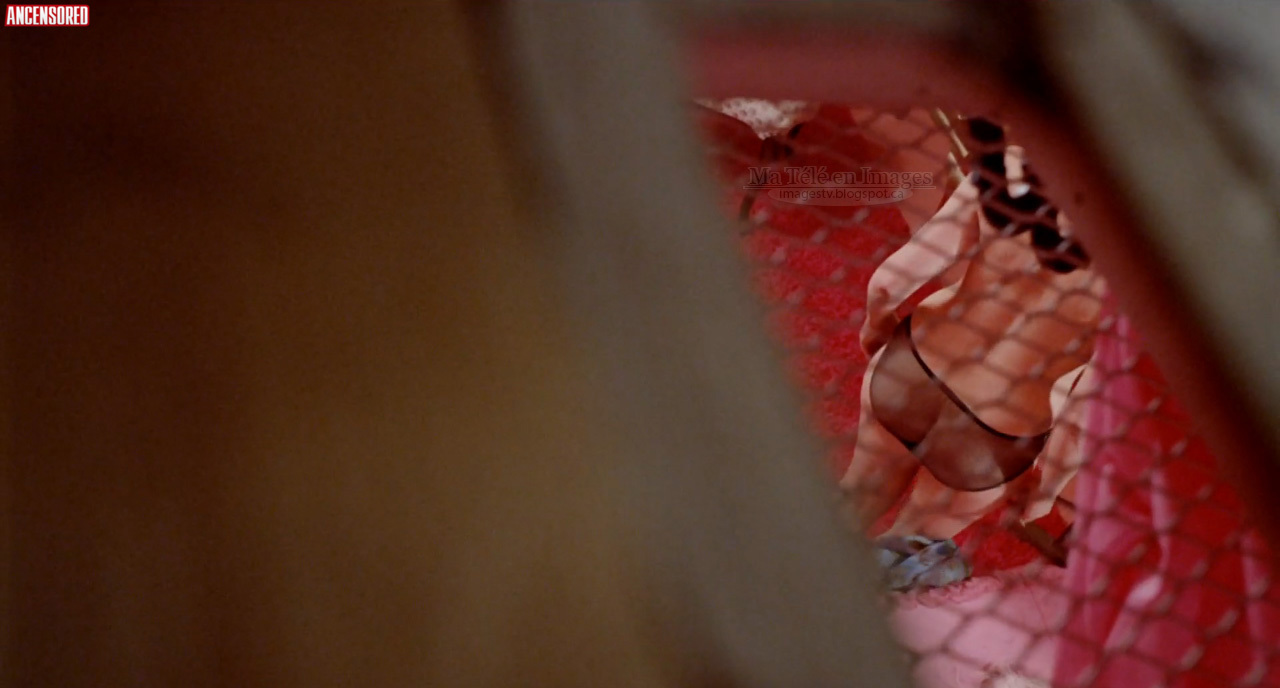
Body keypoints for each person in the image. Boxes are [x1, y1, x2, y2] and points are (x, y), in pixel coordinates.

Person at [839, 117, 1107, 544]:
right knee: (908, 549)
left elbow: (890, 280)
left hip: (913, 364)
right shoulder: (1144, 273)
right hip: (996, 430)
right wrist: (1045, 492)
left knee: (851, 501)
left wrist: (877, 326)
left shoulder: (1013, 171)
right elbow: (1080, 414)